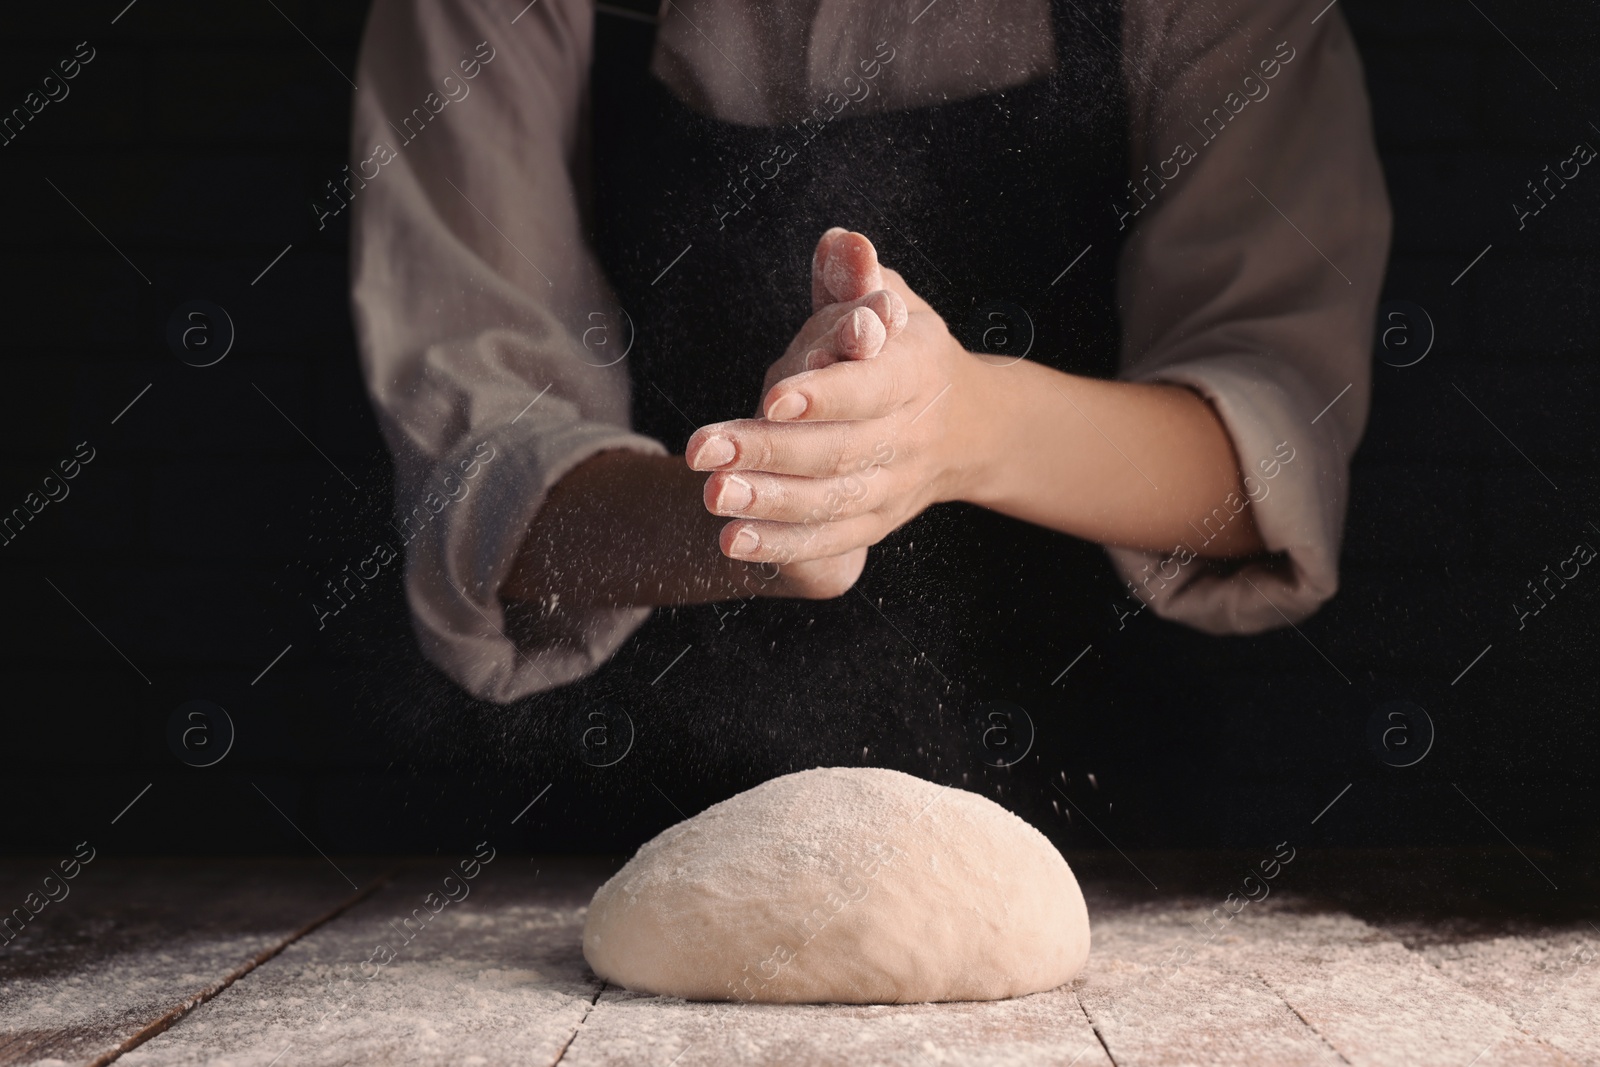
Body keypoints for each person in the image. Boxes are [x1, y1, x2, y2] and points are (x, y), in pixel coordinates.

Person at [347, 0, 1389, 779]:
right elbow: (472, 474)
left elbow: (1278, 454)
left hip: (1102, 828)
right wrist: (760, 517)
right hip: (589, 829)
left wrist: (962, 428)